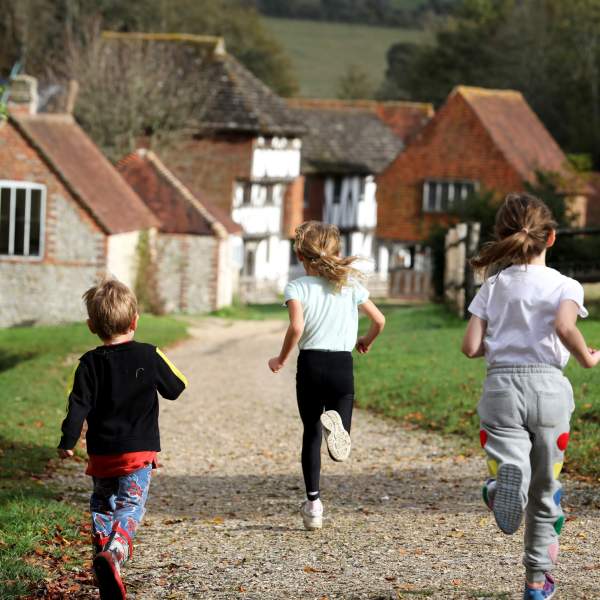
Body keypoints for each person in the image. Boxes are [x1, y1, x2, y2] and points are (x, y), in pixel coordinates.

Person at [461, 193, 600, 599]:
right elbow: (563, 325)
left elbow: (471, 346)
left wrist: (503, 345)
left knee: (511, 465)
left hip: (501, 388)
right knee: (547, 490)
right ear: (551, 238)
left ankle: (498, 488)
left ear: (504, 237)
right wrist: (588, 358)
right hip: (550, 390)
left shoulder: (493, 285)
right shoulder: (565, 285)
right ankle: (537, 585)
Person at [57, 279, 187, 600]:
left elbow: (77, 406)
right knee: (130, 506)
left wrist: (68, 441)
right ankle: (114, 555)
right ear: (135, 321)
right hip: (138, 454)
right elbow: (177, 386)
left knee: (102, 503)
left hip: (102, 456)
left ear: (91, 326)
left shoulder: (88, 363)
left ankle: (103, 554)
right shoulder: (149, 353)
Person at [268, 221, 385, 530]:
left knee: (310, 432)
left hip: (310, 365)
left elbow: (296, 328)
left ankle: (314, 505)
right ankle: (340, 428)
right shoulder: (350, 286)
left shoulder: (296, 287)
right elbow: (379, 320)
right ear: (336, 253)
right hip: (341, 365)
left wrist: (280, 359)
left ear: (300, 256)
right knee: (340, 417)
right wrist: (366, 341)